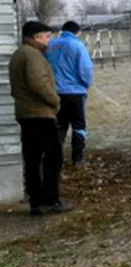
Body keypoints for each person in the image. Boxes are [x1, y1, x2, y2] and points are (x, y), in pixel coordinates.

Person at [9, 22, 73, 215]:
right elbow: (38, 82)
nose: (49, 39)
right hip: (39, 114)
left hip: (27, 113)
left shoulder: (21, 53)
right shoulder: (33, 55)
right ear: (35, 37)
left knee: (33, 158)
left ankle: (35, 201)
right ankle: (50, 200)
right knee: (52, 157)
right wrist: (55, 101)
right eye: (46, 36)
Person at [47, 21, 94, 167]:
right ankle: (78, 158)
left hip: (55, 92)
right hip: (75, 92)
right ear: (77, 32)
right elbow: (85, 69)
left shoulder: (51, 45)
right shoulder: (78, 46)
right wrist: (86, 84)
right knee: (78, 126)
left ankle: (54, 158)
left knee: (59, 125)